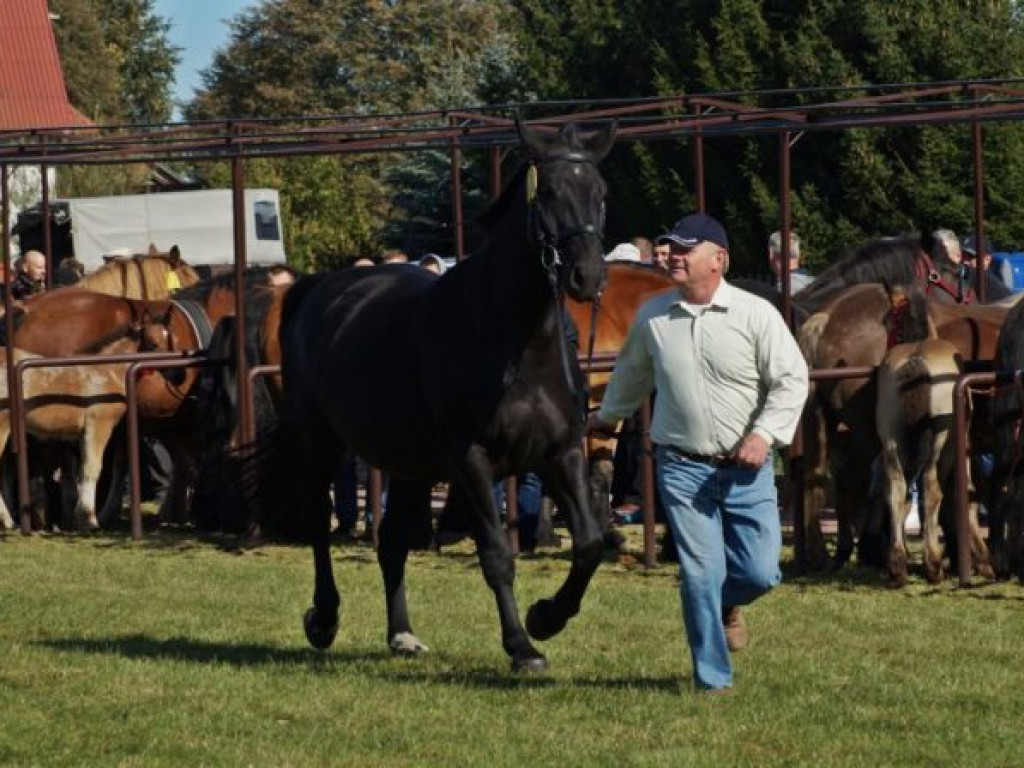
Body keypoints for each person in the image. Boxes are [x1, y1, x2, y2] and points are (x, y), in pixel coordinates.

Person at [586, 212, 809, 694]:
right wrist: (606, 417)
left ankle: (726, 602)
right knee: (699, 573)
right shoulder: (653, 315)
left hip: (747, 469)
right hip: (682, 467)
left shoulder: (756, 314)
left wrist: (764, 434)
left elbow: (792, 379)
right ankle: (713, 679)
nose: (676, 256)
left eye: (688, 249)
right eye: (673, 247)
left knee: (761, 572)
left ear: (719, 260)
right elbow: (631, 376)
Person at [962, 232, 1012, 300]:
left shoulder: (1000, 293)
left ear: (987, 259)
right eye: (963, 256)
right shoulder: (963, 280)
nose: (964, 261)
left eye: (970, 257)